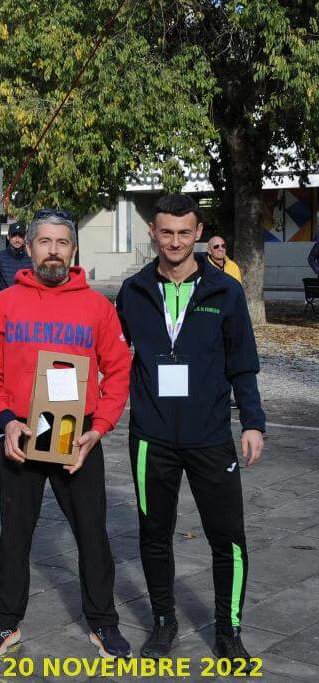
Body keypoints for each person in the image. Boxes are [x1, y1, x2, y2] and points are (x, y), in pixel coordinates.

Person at [0, 208, 133, 659]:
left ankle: (103, 623)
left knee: (92, 534)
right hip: (23, 428)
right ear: (30, 246)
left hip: (77, 433)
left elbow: (119, 372)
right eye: (46, 242)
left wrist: (98, 430)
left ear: (74, 250)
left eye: (63, 243)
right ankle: (5, 624)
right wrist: (6, 421)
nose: (54, 252)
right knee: (14, 535)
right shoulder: (5, 304)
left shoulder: (97, 307)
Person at [116, 194, 264, 661]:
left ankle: (229, 630)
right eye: (166, 232)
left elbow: (243, 364)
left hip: (210, 437)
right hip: (151, 438)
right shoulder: (133, 292)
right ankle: (163, 621)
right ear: (153, 234)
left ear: (198, 234)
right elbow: (114, 361)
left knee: (228, 538)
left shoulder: (225, 291)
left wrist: (253, 422)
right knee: (153, 535)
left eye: (184, 232)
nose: (175, 241)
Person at [0, 222, 32, 298]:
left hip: (27, 306)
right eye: (13, 236)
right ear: (8, 237)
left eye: (20, 236)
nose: (17, 240)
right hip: (6, 306)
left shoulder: (31, 259)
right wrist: (4, 300)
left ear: (25, 237)